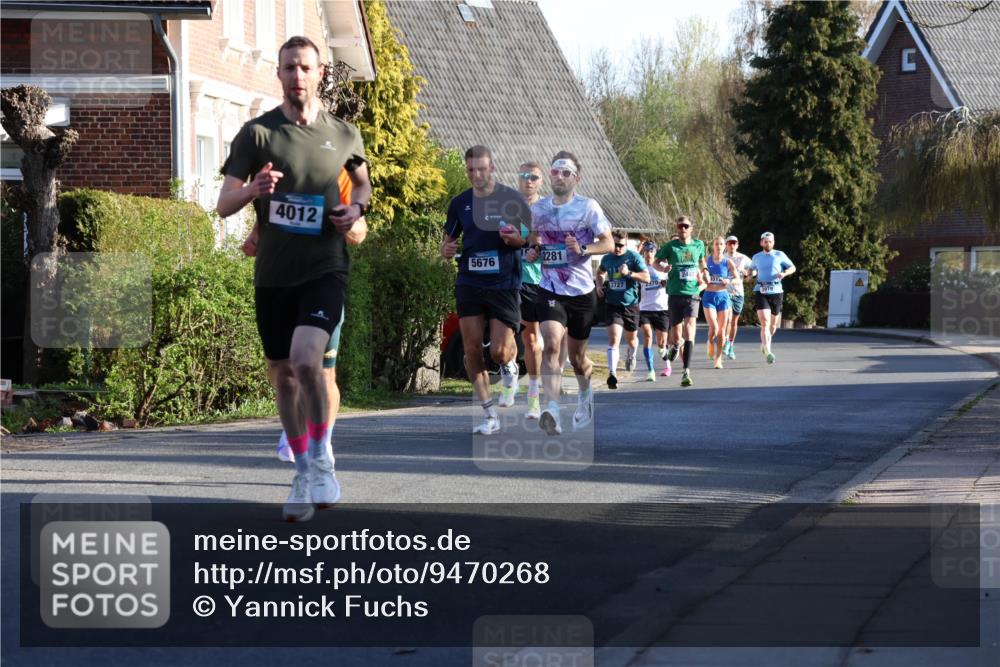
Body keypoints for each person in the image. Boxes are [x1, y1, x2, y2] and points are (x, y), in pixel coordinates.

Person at [217, 35, 371, 522]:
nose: (297, 76)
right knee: (282, 376)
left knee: (308, 361)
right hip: (274, 276)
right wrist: (254, 191)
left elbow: (362, 182)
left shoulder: (344, 134)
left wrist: (356, 209)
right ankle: (303, 469)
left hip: (325, 268)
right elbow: (223, 204)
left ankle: (322, 455)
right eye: (288, 68)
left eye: (305, 67)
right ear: (279, 74)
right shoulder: (257, 135)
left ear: (320, 72)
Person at [246, 168, 368, 465]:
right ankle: (295, 428)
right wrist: (255, 240)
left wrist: (348, 222)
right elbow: (261, 228)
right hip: (279, 286)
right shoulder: (271, 170)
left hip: (321, 284)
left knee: (323, 371)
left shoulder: (337, 169)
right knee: (282, 369)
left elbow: (360, 231)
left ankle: (322, 442)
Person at [441, 145, 531, 434]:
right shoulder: (459, 203)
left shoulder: (511, 199)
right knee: (471, 350)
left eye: (481, 169)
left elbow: (528, 239)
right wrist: (446, 248)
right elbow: (447, 240)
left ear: (491, 168)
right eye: (470, 170)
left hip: (503, 283)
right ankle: (489, 414)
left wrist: (515, 239)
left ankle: (510, 367)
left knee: (501, 352)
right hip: (469, 281)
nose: (476, 174)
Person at [524, 151, 614, 435]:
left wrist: (583, 249)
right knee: (550, 345)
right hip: (550, 287)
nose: (559, 177)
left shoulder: (588, 207)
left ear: (576, 178)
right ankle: (551, 409)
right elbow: (533, 238)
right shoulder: (538, 210)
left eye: (565, 173)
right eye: (555, 172)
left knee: (577, 359)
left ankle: (585, 394)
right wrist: (533, 250)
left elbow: (608, 243)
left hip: (581, 292)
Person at [653, 216, 707, 387]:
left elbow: (702, 260)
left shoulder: (698, 244)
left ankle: (686, 371)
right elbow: (655, 262)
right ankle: (676, 345)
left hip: (692, 293)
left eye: (686, 226)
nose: (682, 229)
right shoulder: (671, 246)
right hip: (675, 293)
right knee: (676, 335)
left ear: (691, 228)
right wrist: (663, 268)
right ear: (677, 228)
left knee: (690, 330)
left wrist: (705, 270)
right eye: (680, 226)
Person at [596, 231, 650, 388]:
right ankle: (612, 373)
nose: (618, 248)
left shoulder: (634, 257)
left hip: (630, 305)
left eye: (621, 245)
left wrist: (629, 273)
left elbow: (646, 278)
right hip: (613, 304)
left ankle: (631, 354)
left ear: (626, 245)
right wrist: (599, 285)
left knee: (631, 339)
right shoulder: (607, 258)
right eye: (615, 245)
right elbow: (600, 272)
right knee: (614, 338)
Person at [516, 162, 544, 419]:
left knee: (534, 339)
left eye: (533, 177)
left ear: (540, 181)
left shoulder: (548, 210)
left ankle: (535, 392)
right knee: (523, 337)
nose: (528, 181)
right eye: (524, 176)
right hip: (514, 280)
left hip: (543, 282)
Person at [751, 231, 796, 364]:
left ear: (773, 242)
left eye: (770, 241)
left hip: (776, 291)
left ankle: (764, 344)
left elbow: (793, 267)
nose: (768, 243)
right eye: (766, 241)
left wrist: (785, 273)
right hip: (761, 290)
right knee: (764, 322)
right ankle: (768, 351)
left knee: (772, 326)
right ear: (761, 243)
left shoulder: (779, 254)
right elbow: (752, 269)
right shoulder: (756, 257)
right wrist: (749, 273)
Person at [638, 240, 671, 381]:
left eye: (651, 251)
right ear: (643, 252)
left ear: (655, 252)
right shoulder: (640, 268)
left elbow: (672, 282)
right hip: (645, 308)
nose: (648, 253)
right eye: (646, 251)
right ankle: (650, 370)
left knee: (661, 343)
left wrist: (666, 283)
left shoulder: (663, 267)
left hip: (661, 308)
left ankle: (667, 364)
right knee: (647, 336)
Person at [703, 236, 737, 369]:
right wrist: (704, 278)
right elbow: (699, 276)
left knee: (722, 331)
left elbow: (737, 278)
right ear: (713, 246)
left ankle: (718, 359)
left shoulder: (728, 262)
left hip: (723, 297)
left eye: (721, 244)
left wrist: (729, 281)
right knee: (714, 328)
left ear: (724, 247)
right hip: (709, 297)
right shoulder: (707, 260)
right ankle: (710, 341)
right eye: (716, 244)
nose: (719, 246)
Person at [722, 235, 753, 360]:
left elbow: (754, 269)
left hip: (739, 293)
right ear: (726, 245)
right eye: (729, 243)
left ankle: (730, 344)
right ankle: (724, 342)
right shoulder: (722, 258)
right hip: (725, 292)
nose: (732, 245)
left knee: (734, 321)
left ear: (737, 244)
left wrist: (748, 274)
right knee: (728, 319)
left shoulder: (743, 258)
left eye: (734, 243)